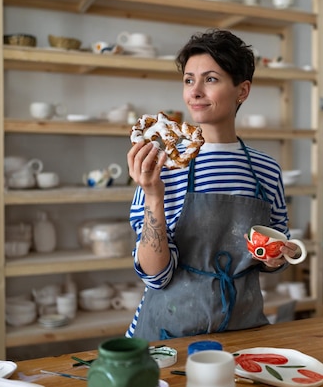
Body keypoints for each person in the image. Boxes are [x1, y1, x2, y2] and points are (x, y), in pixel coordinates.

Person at [125, 29, 303, 341]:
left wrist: (275, 259)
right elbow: (156, 275)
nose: (194, 92)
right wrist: (154, 196)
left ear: (242, 90)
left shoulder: (266, 169)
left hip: (243, 330)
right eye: (188, 80)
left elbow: (273, 254)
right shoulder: (164, 164)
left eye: (210, 79)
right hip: (170, 333)